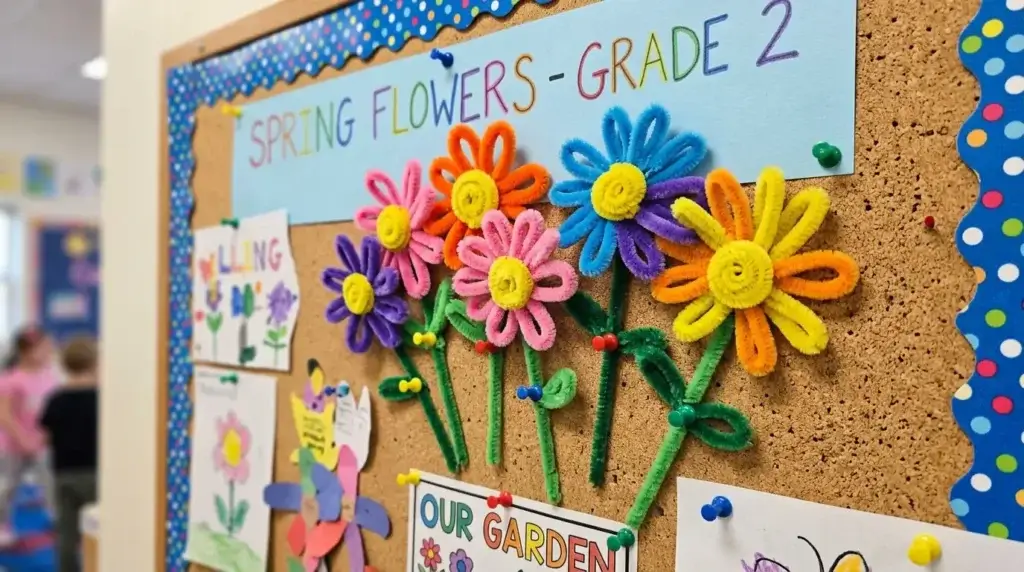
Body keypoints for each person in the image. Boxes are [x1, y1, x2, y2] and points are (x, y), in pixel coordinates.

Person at [39, 336, 98, 572]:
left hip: (64, 472)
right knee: (98, 528)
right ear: (95, 364)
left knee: (66, 532)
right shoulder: (100, 399)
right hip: (94, 472)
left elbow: (45, 434)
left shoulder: (56, 399)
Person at [0, 326, 59, 544]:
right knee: (6, 486)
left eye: (48, 349)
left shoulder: (50, 377)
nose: (47, 354)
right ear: (25, 352)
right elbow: (4, 415)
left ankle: (57, 519)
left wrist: (45, 437)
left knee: (51, 483)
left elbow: (53, 410)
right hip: (12, 445)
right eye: (42, 349)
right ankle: (2, 525)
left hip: (42, 443)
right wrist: (22, 438)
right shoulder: (11, 379)